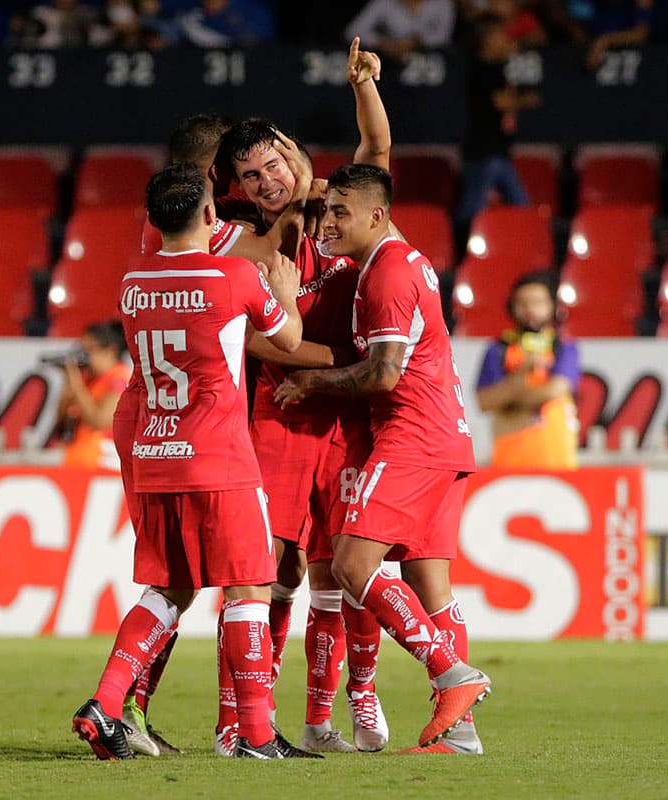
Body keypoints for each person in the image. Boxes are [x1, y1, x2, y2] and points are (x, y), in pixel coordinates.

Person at [71, 161, 320, 761]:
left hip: (156, 452)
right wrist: (287, 294)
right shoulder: (234, 275)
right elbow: (288, 340)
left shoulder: (133, 283)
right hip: (219, 455)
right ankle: (255, 735)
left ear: (154, 220)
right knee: (249, 585)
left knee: (168, 589)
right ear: (211, 214)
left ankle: (106, 702)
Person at [213, 39, 395, 756]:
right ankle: (241, 720)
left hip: (349, 416)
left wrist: (364, 86)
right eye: (250, 176)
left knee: (339, 569)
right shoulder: (246, 249)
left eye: (272, 164)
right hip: (281, 416)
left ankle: (331, 713)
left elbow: (376, 148)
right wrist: (348, 358)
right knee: (264, 569)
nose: (266, 181)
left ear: (292, 153)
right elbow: (264, 347)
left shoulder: (341, 210)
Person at [274, 164, 492, 754]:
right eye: (327, 210)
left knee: (351, 565)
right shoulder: (398, 259)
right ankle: (460, 733)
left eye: (340, 212)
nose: (328, 222)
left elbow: (383, 373)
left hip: (412, 436)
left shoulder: (388, 274)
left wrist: (312, 383)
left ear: (376, 215)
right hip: (447, 437)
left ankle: (452, 673)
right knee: (430, 585)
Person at [475, 272, 580, 470]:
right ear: (512, 307)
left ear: (552, 306)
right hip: (509, 462)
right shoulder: (498, 348)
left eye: (537, 302)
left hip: (556, 461)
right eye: (523, 303)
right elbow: (485, 401)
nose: (530, 310)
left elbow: (556, 389)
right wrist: (523, 371)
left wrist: (510, 402)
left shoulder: (563, 346)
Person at [454, 13, 537, 258]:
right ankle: (458, 255)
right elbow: (501, 102)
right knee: (473, 208)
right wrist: (525, 100)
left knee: (520, 206)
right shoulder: (481, 69)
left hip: (497, 152)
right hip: (482, 153)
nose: (506, 39)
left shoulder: (499, 69)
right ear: (488, 39)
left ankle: (531, 252)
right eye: (501, 35)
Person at [50, 320, 132, 470]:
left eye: (88, 351)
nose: (83, 356)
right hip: (78, 460)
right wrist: (69, 382)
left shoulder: (120, 379)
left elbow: (99, 421)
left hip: (104, 463)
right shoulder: (88, 381)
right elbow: (61, 422)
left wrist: (77, 386)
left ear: (109, 351)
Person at [345, 0, 456, 62]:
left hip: (433, 65)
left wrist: (417, 41)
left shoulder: (442, 3)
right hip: (390, 67)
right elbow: (353, 31)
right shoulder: (384, 3)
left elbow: (445, 35)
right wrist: (382, 43)